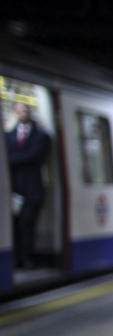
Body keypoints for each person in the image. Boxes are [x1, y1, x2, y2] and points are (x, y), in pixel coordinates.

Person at [6, 102, 51, 269]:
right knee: (15, 226)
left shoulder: (41, 136)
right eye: (19, 110)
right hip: (13, 190)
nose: (23, 112)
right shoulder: (8, 135)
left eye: (25, 109)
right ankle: (16, 259)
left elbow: (35, 156)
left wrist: (13, 159)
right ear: (16, 113)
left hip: (32, 191)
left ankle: (27, 258)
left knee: (27, 225)